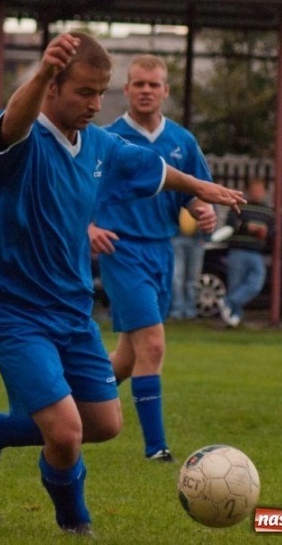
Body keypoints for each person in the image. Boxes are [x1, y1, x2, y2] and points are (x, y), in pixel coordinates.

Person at [0, 33, 244, 535]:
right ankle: (76, 525)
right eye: (83, 93)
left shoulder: (99, 144)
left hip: (71, 311)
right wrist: (42, 71)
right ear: (52, 88)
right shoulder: (21, 142)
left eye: (100, 93)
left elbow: (150, 168)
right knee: (66, 433)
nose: (94, 104)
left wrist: (197, 187)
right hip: (12, 311)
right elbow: (13, 121)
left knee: (104, 425)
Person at [88, 54, 218, 463]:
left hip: (162, 252)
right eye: (138, 84)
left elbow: (197, 191)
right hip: (122, 251)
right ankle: (156, 448)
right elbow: (78, 192)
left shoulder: (181, 142)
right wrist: (87, 228)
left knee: (128, 356)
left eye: (153, 84)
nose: (146, 90)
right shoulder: (107, 140)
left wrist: (203, 207)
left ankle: (70, 403)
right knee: (154, 345)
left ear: (165, 91)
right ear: (125, 90)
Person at [218, 177, 275, 327]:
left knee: (255, 283)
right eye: (255, 190)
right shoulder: (239, 206)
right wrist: (246, 227)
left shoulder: (267, 211)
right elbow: (229, 226)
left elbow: (273, 233)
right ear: (249, 191)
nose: (258, 193)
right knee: (235, 284)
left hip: (256, 252)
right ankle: (234, 318)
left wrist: (265, 233)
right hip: (238, 250)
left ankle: (228, 303)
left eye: (260, 190)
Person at [169, 207, 207, 321]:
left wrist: (206, 237)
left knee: (193, 278)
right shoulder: (176, 193)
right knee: (176, 277)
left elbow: (210, 216)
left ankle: (190, 311)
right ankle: (177, 310)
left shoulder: (202, 195)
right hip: (177, 238)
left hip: (197, 241)